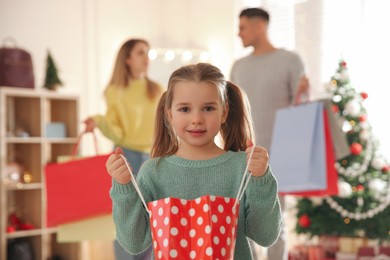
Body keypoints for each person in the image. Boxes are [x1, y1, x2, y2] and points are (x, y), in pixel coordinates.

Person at [105, 62, 282, 260]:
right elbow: (134, 243)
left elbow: (265, 236)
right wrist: (124, 187)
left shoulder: (244, 167)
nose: (197, 118)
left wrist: (261, 179)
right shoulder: (153, 172)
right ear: (169, 113)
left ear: (224, 112)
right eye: (184, 109)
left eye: (208, 108)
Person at [230, 7, 310, 260]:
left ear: (259, 26)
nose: (238, 33)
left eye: (242, 27)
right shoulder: (238, 66)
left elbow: (302, 109)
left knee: (277, 221)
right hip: (242, 152)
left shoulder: (290, 60)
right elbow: (230, 108)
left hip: (280, 154)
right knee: (242, 217)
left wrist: (304, 93)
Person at [84, 38, 163, 260]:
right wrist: (99, 122)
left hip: (155, 157)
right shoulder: (114, 91)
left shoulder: (157, 89)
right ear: (127, 59)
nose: (146, 58)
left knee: (153, 216)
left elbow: (166, 125)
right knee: (126, 215)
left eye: (147, 53)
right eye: (140, 53)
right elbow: (118, 132)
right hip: (127, 156)